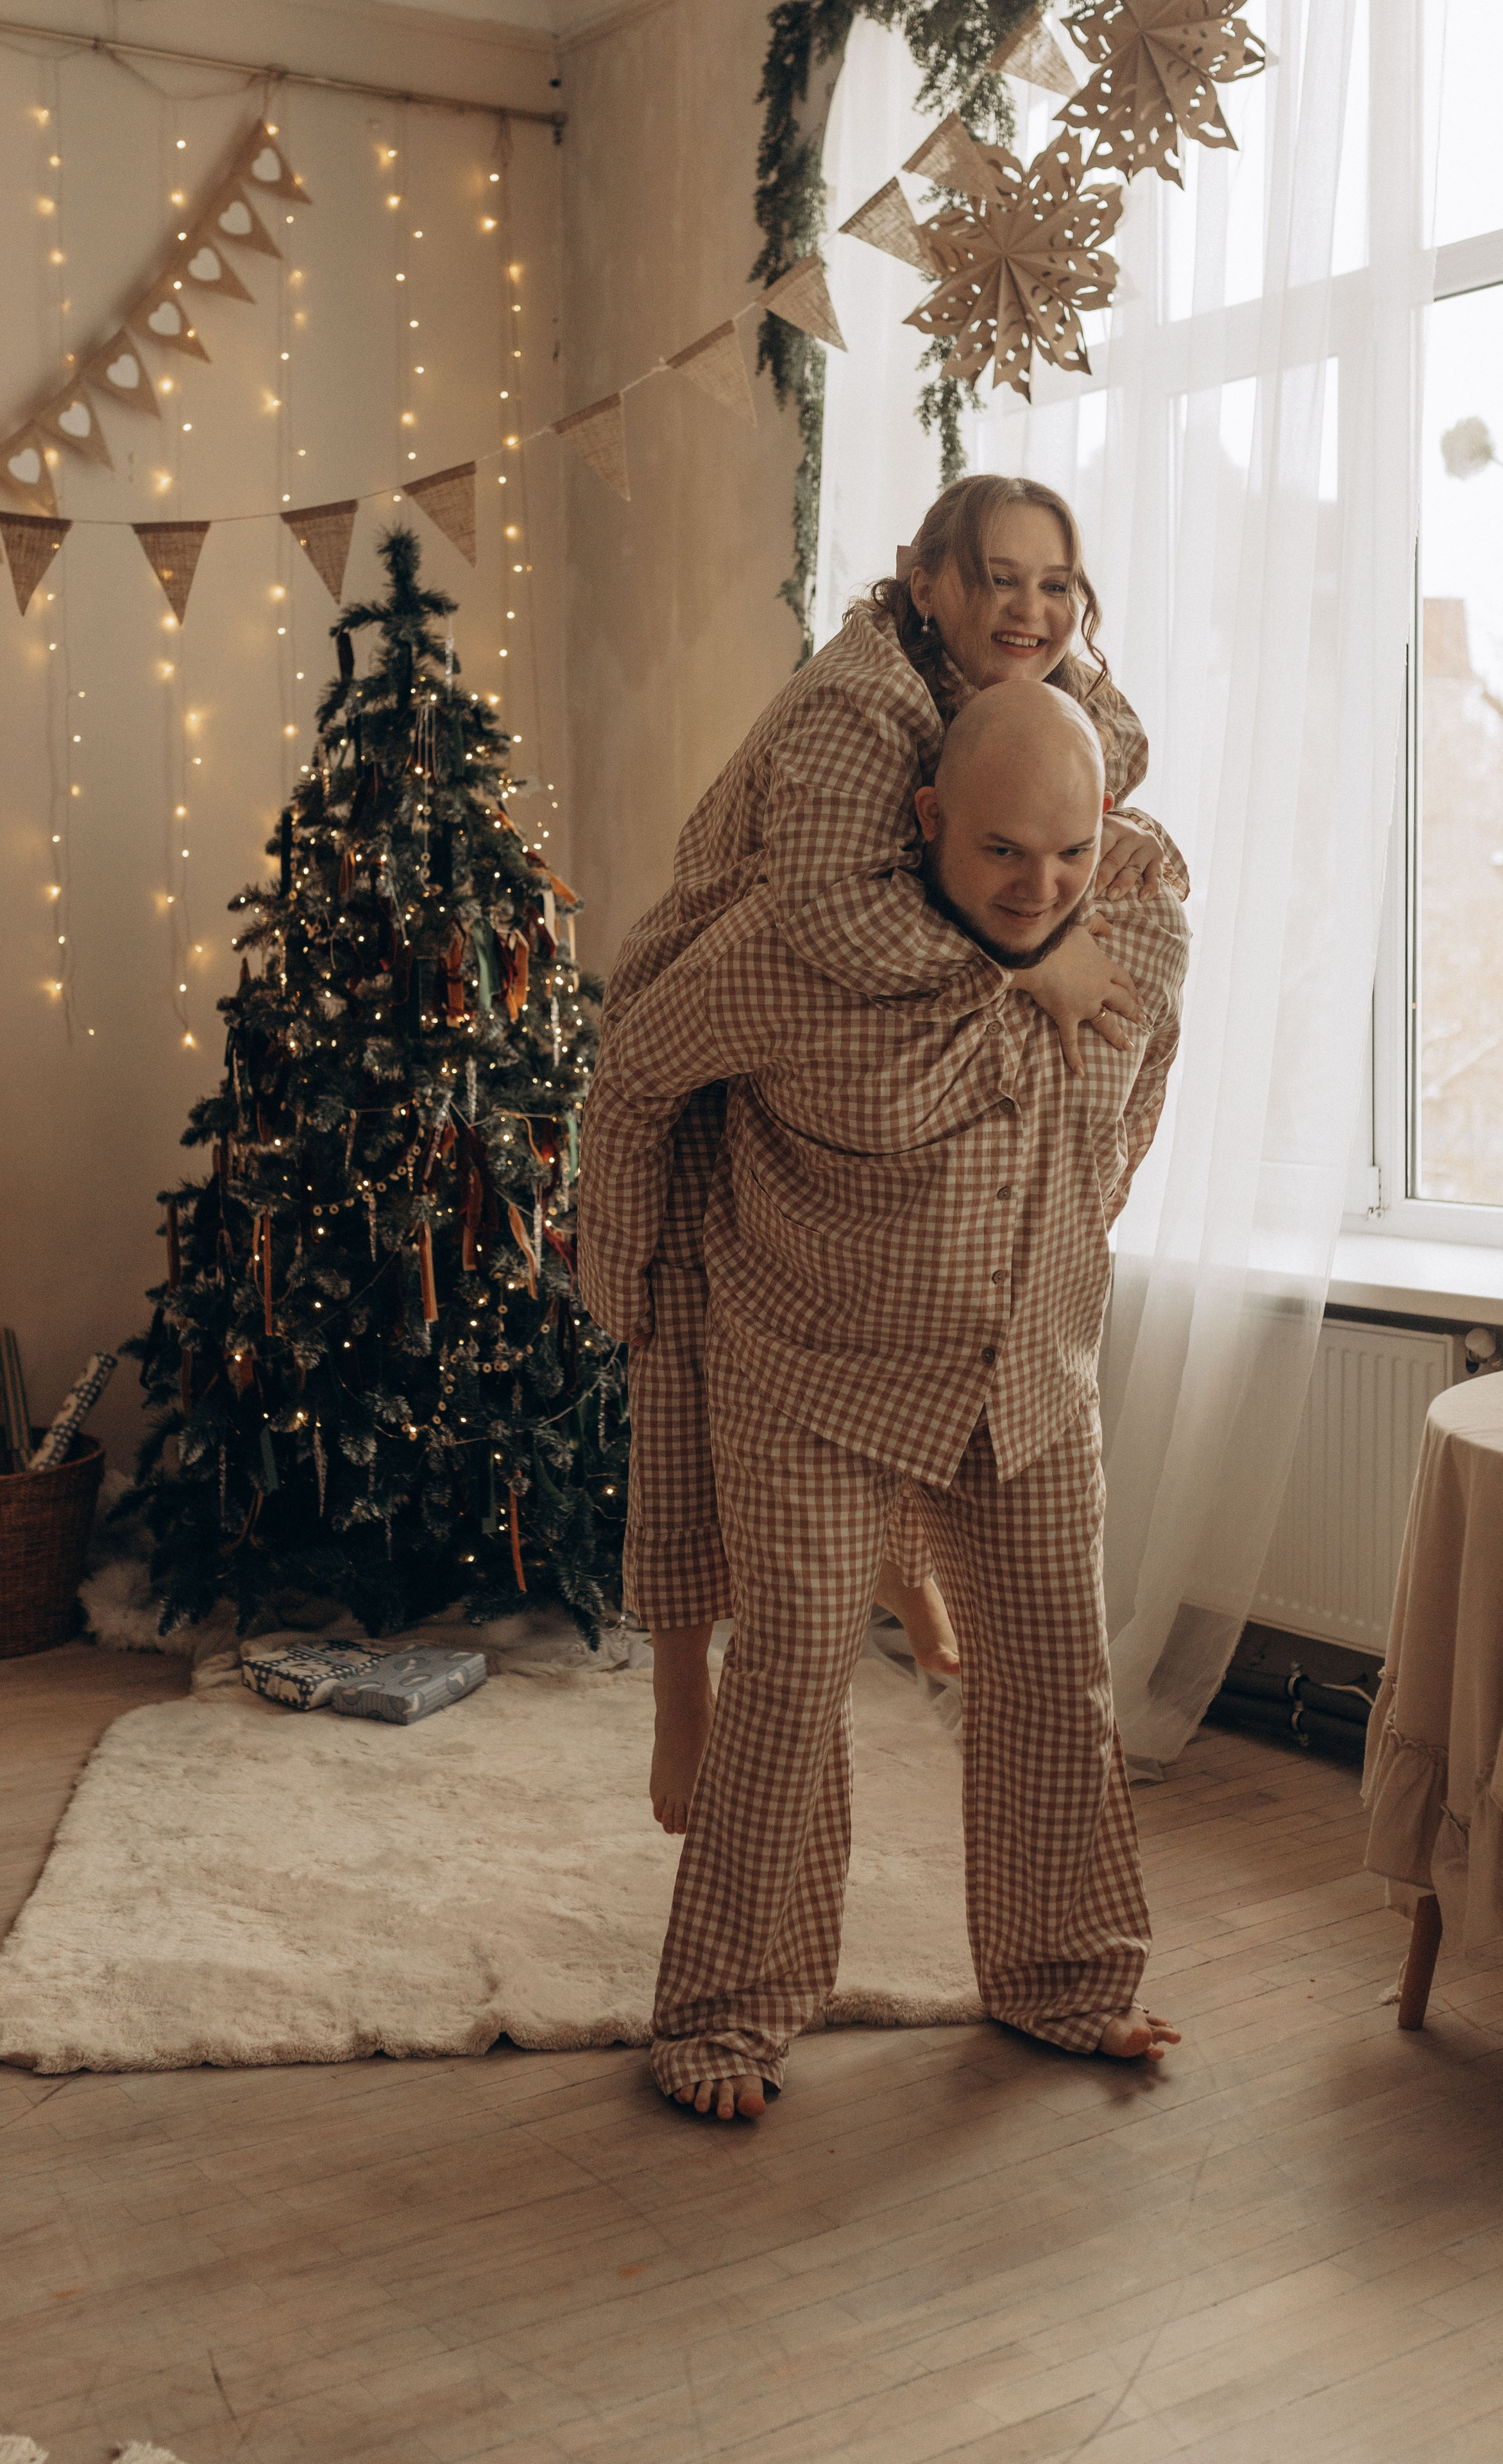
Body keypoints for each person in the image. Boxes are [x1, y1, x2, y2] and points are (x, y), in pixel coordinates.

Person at [579, 681, 1189, 2117]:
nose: (1039, 888)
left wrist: (1077, 1227)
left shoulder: (1131, 941)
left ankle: (1066, 1981)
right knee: (790, 1679)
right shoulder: (791, 954)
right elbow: (632, 1076)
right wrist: (628, 1285)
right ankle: (725, 2018)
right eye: (998, 853)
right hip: (808, 1364)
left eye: (1068, 851)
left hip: (1025, 1371)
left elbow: (1142, 1076)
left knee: (1053, 1672)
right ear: (924, 824)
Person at [601, 474, 1177, 1835]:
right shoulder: (857, 703)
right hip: (714, 1007)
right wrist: (1030, 970)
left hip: (893, 1032)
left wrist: (1097, 876)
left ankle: (902, 1573)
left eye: (1055, 583)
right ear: (923, 583)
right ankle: (682, 1693)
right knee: (683, 1378)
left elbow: (1091, 791)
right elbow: (836, 925)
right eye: (996, 579)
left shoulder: (1045, 689)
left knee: (930, 1319)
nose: (1027, 609)